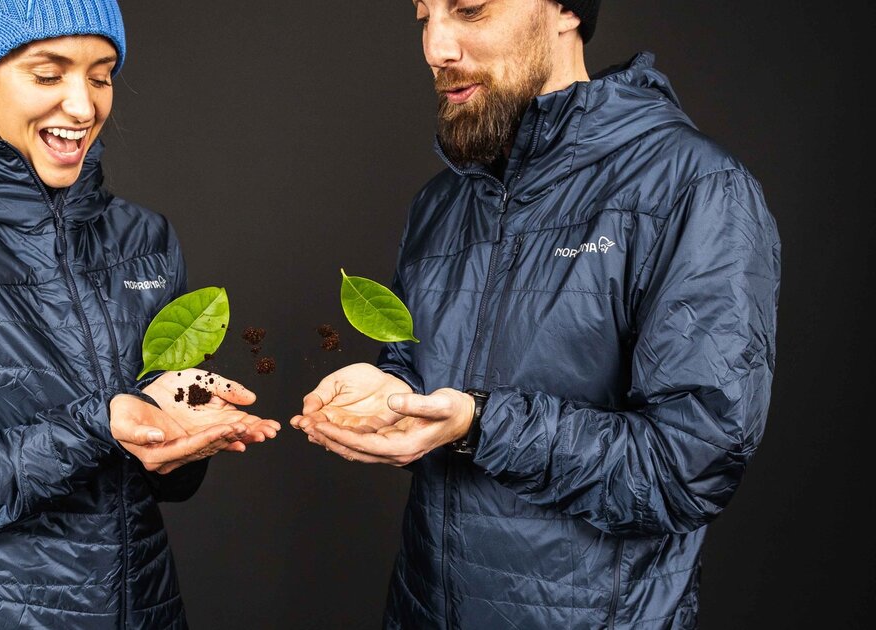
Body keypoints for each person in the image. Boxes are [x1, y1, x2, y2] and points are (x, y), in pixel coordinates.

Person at [292, 1, 780, 628]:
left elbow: (687, 466)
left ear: (566, 10)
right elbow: (423, 372)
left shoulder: (695, 189)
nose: (435, 48)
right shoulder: (442, 203)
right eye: (423, 16)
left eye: (469, 9)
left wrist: (480, 424)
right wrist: (393, 391)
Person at [0, 1, 278, 627]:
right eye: (48, 74)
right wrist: (101, 423)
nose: (85, 108)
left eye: (100, 74)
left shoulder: (143, 237)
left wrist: (182, 433)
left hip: (145, 609)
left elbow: (165, 483)